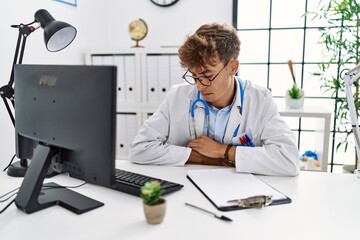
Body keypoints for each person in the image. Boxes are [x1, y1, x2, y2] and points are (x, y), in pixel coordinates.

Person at [129, 23, 299, 176]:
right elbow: (139, 149)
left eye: (207, 76)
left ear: (232, 67)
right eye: (195, 77)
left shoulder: (259, 100)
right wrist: (203, 158)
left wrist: (221, 151)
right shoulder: (177, 97)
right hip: (187, 187)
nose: (200, 86)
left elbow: (289, 160)